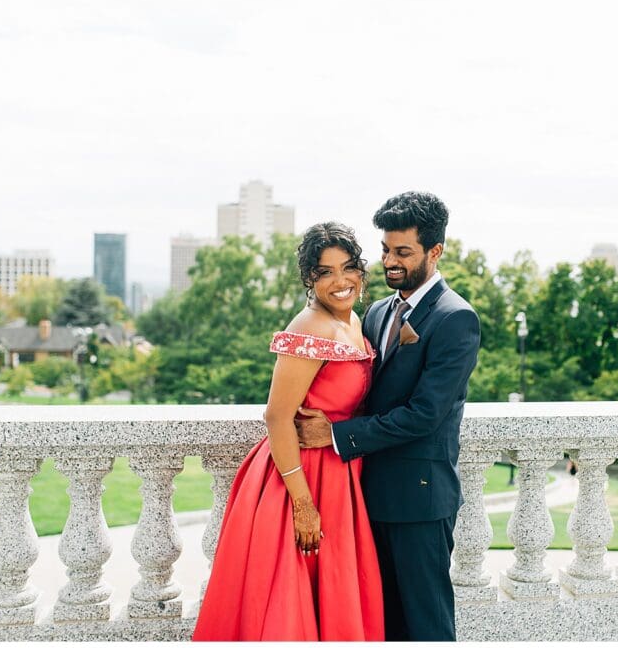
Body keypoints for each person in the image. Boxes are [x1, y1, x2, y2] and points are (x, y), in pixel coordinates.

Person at [296, 192, 480, 641]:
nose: (390, 261)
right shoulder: (376, 310)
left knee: (427, 624)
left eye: (403, 252)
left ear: (435, 251)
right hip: (364, 496)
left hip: (419, 500)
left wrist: (335, 436)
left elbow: (424, 415)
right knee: (382, 624)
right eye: (385, 250)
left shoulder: (457, 319)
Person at [192, 222, 383, 641]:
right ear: (309, 280)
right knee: (289, 604)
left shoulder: (355, 323)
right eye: (325, 272)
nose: (340, 281)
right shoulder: (309, 327)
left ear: (362, 271)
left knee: (335, 593)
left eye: (348, 267)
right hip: (300, 479)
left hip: (340, 473)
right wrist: (303, 505)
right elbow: (277, 417)